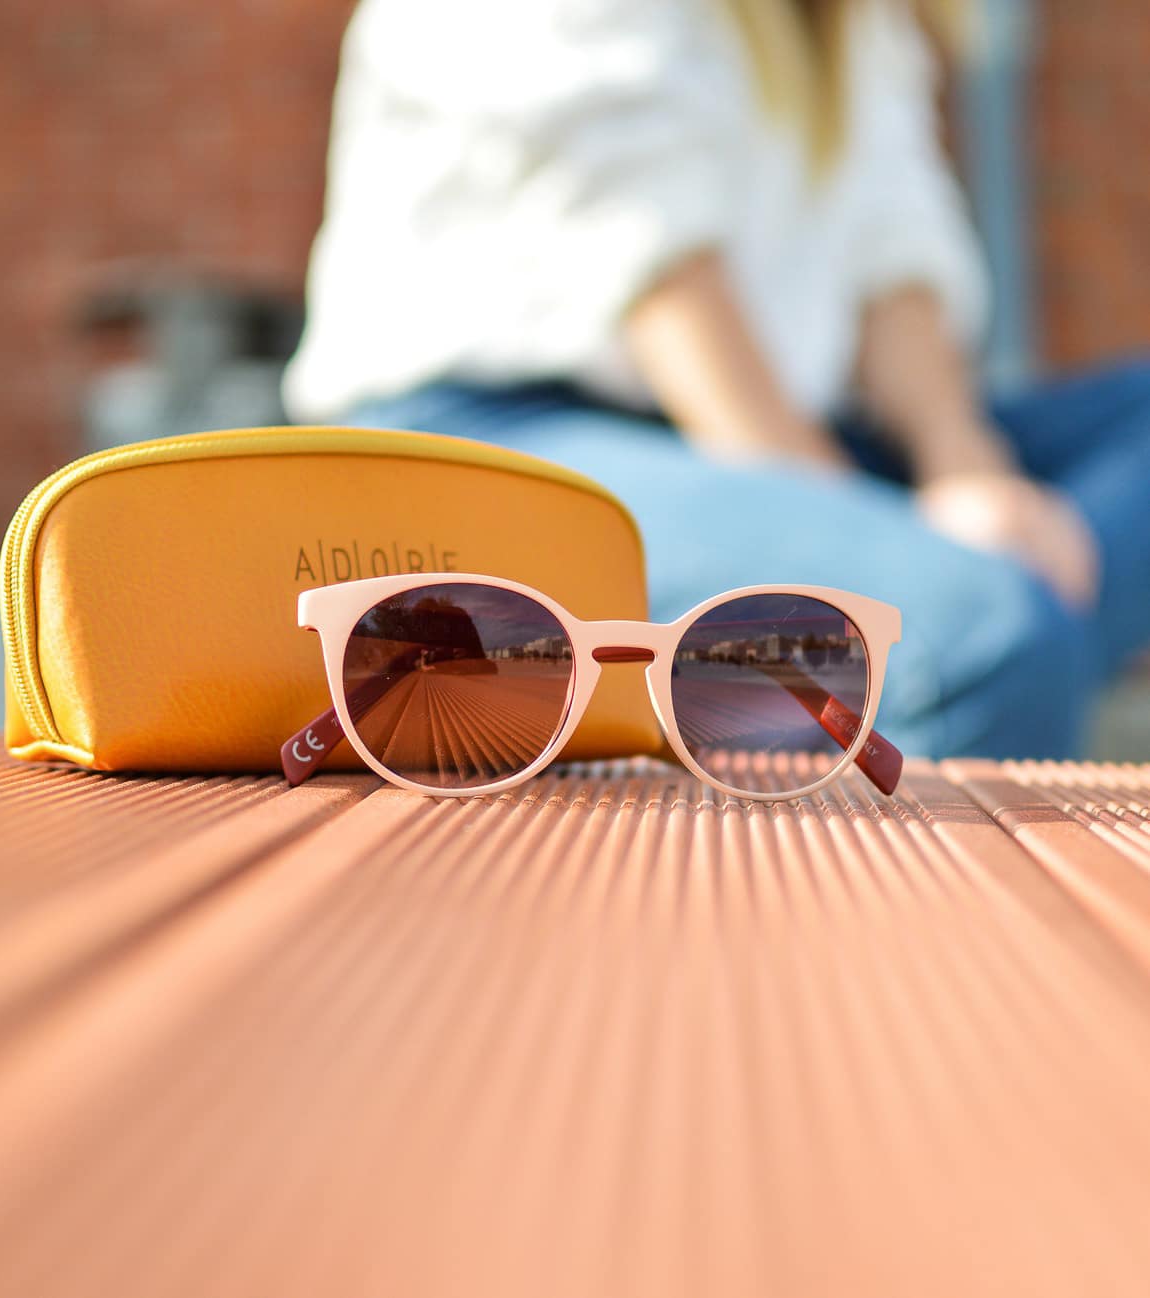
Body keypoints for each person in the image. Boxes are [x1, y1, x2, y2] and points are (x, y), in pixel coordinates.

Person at [284, 0, 1150, 760]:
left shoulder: (853, 18)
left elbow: (895, 247)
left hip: (798, 428)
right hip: (502, 436)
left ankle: (843, 685)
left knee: (1007, 606)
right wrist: (866, 555)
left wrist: (966, 472)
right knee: (980, 638)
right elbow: (655, 271)